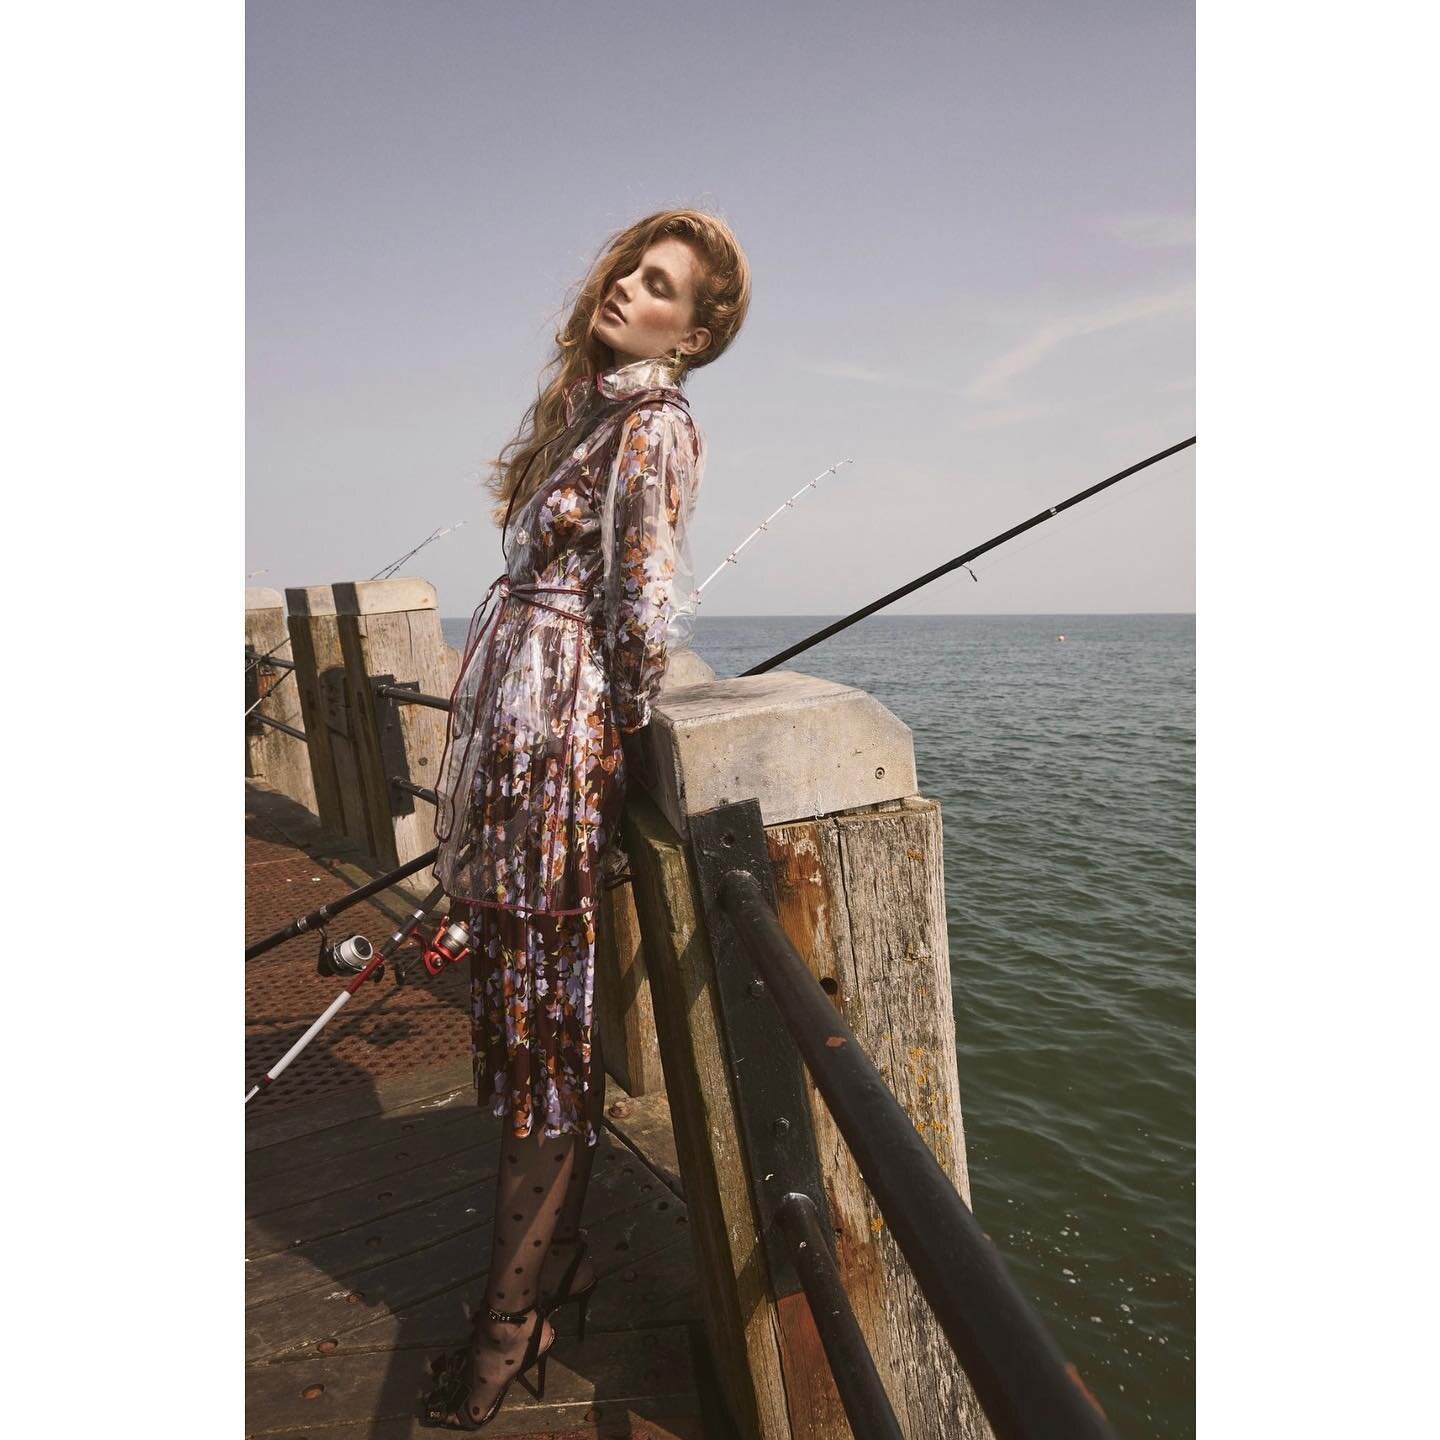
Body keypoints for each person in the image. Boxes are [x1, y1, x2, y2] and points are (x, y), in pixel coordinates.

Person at [421, 209, 751, 1429]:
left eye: (659, 285)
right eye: (629, 266)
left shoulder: (658, 427)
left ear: (698, 330)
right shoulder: (593, 414)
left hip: (557, 775)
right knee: (522, 1036)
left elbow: (643, 620)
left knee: (545, 1047)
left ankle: (509, 1320)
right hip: (518, 779)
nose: (627, 286)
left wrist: (597, 754)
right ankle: (551, 1270)